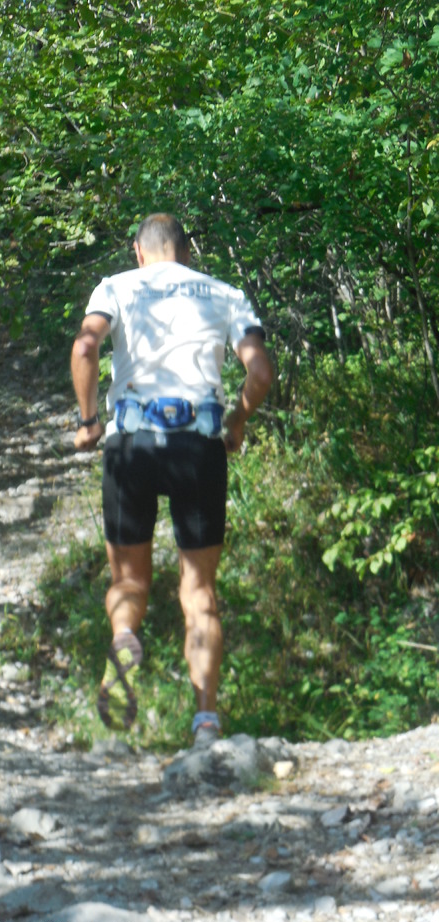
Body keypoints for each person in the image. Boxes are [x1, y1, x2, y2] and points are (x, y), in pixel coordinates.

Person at [71, 213, 273, 746]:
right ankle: (206, 721)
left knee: (128, 582)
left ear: (139, 253)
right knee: (199, 591)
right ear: (187, 252)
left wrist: (89, 422)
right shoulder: (225, 294)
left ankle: (124, 635)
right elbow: (260, 372)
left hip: (131, 445)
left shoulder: (115, 288)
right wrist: (237, 421)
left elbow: (86, 347)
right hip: (197, 446)